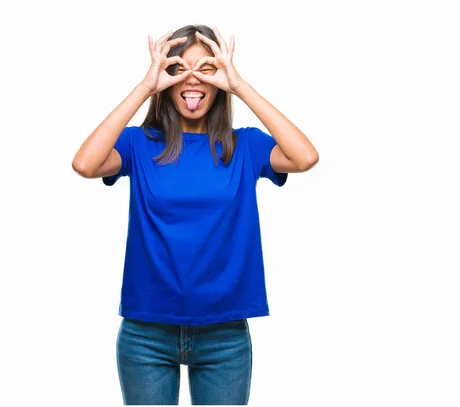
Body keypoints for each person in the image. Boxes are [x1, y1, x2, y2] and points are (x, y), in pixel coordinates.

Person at [71, 24, 318, 405]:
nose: (192, 79)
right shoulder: (138, 144)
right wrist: (144, 87)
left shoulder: (245, 146)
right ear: (166, 80)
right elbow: (85, 164)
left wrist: (239, 84)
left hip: (224, 336)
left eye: (205, 68)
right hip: (146, 334)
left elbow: (305, 157)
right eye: (179, 69)